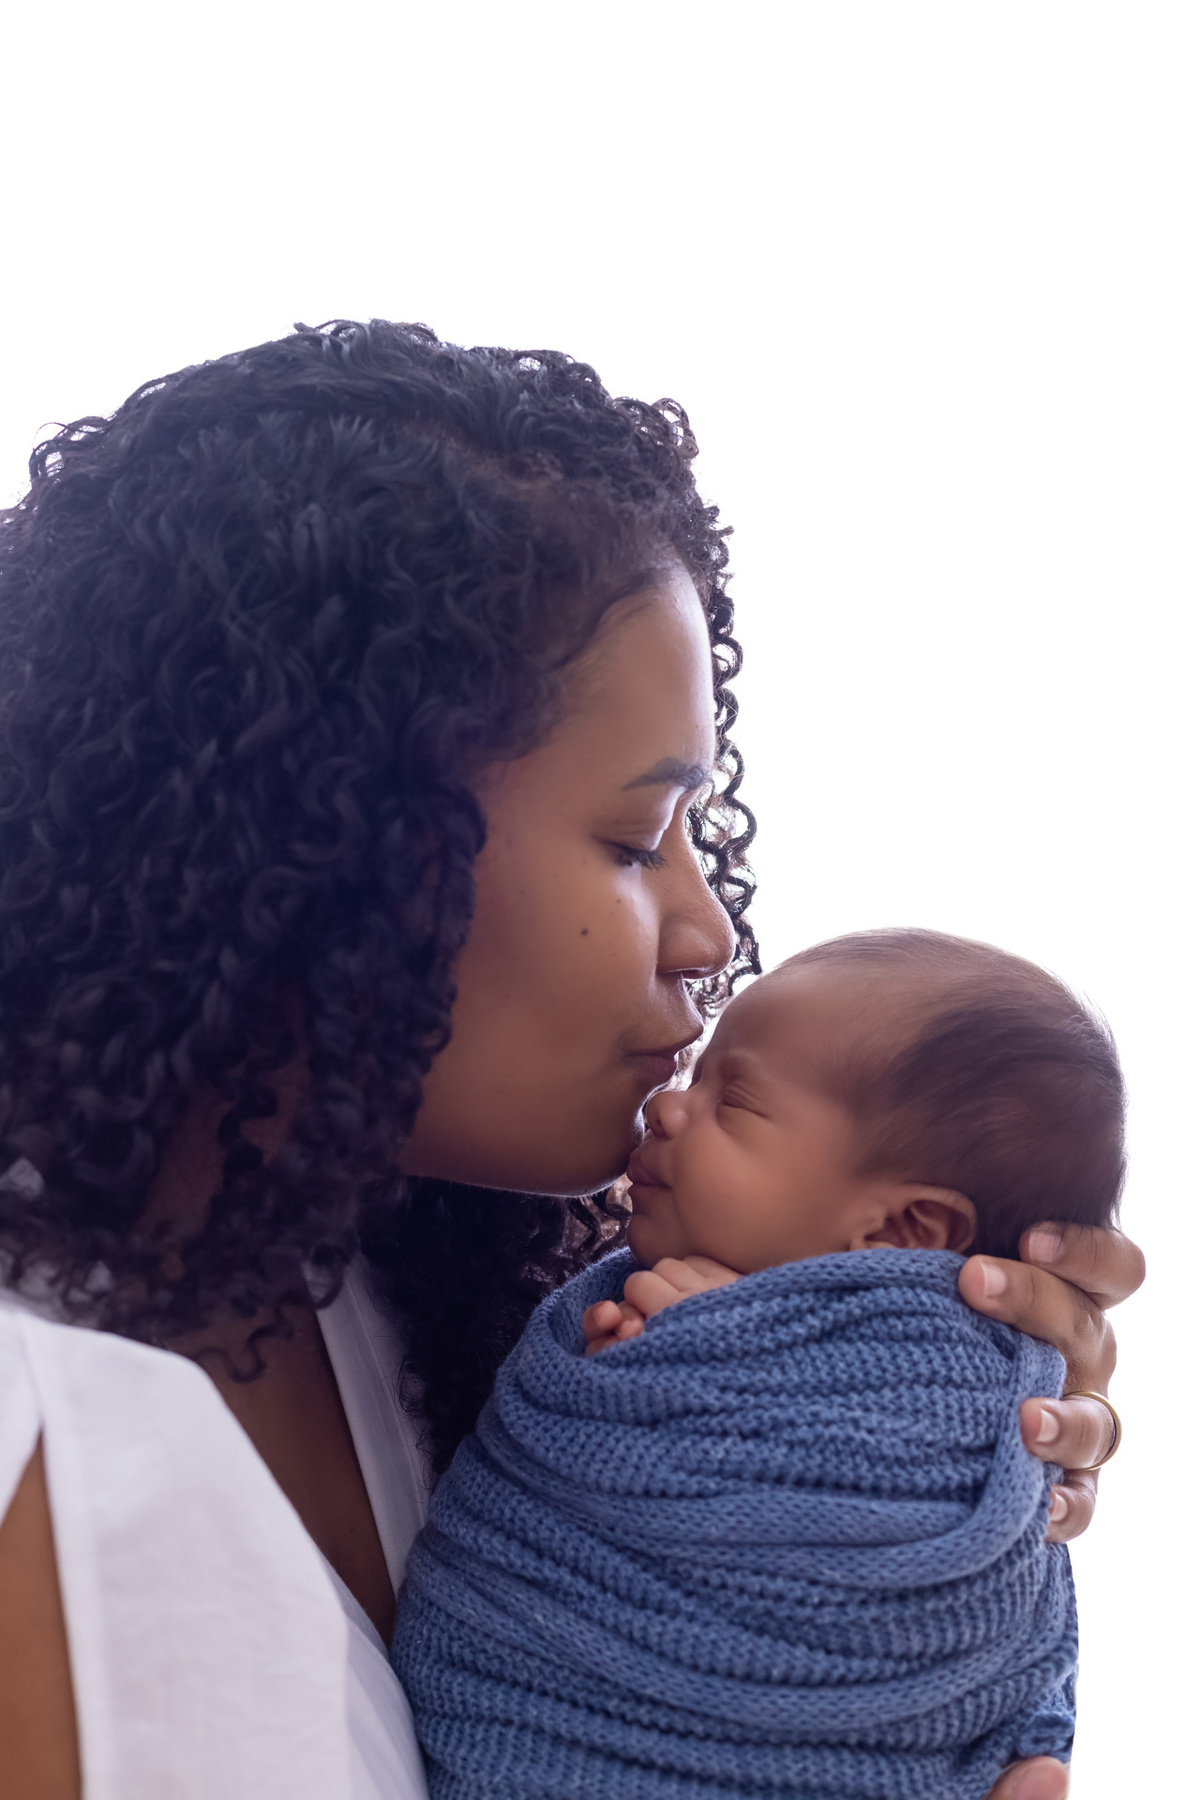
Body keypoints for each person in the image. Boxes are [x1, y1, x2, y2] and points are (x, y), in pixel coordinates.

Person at [0, 321, 1142, 1800]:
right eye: (634, 836)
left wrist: (917, 1472)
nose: (707, 929)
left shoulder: (439, 1311)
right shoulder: (45, 1431)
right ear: (336, 838)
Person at [392, 927, 1124, 1797]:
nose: (669, 1107)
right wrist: (656, 1394)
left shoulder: (956, 1394)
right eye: (698, 1078)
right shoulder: (610, 1294)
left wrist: (681, 1394)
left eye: (732, 1100)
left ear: (904, 1231)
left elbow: (899, 1570)